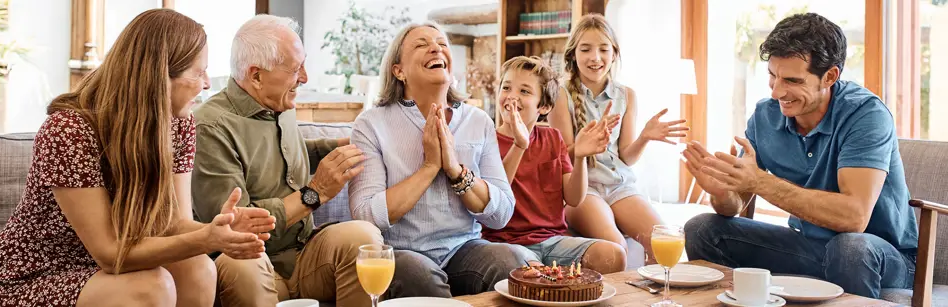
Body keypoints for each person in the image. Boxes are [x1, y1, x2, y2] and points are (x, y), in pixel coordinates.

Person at [0, 9, 275, 307]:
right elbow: (109, 253)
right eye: (199, 72)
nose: (208, 83)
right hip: (34, 280)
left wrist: (220, 230)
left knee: (198, 268)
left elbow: (172, 225)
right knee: (151, 287)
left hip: (105, 274)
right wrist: (206, 239)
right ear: (159, 76)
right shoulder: (68, 131)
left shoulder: (177, 124)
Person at [682, 12, 918, 298]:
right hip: (808, 248)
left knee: (850, 248)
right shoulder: (765, 116)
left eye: (792, 80)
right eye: (772, 76)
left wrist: (758, 182)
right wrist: (721, 193)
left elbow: (854, 218)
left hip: (882, 257)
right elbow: (735, 205)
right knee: (703, 229)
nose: (777, 92)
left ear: (830, 76)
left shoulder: (865, 115)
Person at [191, 15, 398, 307]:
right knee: (245, 263)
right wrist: (315, 193)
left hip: (304, 251)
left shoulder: (279, 102)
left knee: (362, 237)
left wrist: (343, 145)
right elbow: (233, 227)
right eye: (295, 69)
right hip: (248, 258)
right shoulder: (211, 127)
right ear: (256, 75)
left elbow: (286, 153)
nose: (304, 77)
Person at [349, 21, 530, 297]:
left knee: (514, 262)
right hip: (402, 252)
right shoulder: (371, 124)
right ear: (398, 70)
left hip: (464, 249)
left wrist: (456, 172)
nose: (436, 48)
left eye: (442, 44)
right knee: (420, 276)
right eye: (422, 45)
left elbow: (502, 212)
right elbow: (365, 213)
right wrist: (430, 167)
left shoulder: (477, 121)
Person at [547, 14, 689, 255]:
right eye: (586, 49)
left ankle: (653, 293)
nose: (595, 57)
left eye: (604, 49)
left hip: (619, 187)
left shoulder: (626, 95)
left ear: (614, 54)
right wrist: (584, 147)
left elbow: (627, 158)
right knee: (616, 248)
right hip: (582, 190)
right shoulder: (561, 94)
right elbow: (560, 159)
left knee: (664, 242)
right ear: (573, 54)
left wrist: (644, 137)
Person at [483, 55, 627, 274]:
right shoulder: (486, 141)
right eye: (506, 88)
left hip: (553, 240)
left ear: (544, 106)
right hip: (507, 244)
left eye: (524, 91)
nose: (512, 97)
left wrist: (579, 156)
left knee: (614, 255)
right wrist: (519, 145)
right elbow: (495, 197)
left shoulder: (552, 138)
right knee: (537, 276)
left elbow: (574, 198)